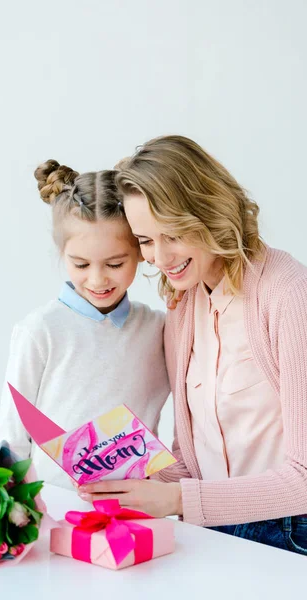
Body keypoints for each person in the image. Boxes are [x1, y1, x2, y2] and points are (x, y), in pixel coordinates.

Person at [78, 136, 307, 554]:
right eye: (146, 240)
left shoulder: (286, 293)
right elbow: (189, 460)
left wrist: (179, 500)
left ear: (206, 210)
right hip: (210, 530)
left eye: (173, 234)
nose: (159, 258)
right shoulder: (182, 307)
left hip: (290, 535)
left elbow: (304, 477)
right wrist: (130, 486)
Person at [0, 160, 170, 488]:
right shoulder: (39, 331)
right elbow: (13, 435)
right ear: (63, 254)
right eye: (81, 263)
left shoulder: (158, 328)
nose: (98, 278)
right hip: (57, 506)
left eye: (115, 263)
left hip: (138, 507)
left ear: (141, 252)